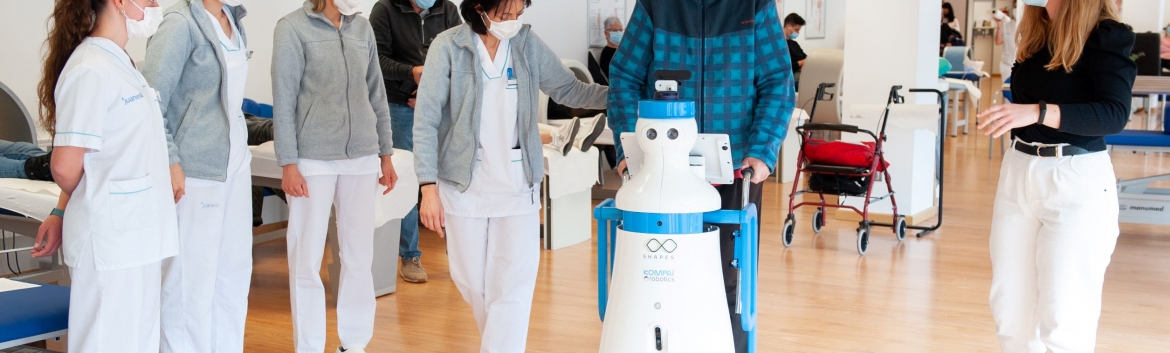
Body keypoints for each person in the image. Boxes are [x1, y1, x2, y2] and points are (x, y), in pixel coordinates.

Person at [412, 0, 607, 350]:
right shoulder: (449, 47)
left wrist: (623, 96)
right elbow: (426, 120)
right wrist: (427, 186)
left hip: (518, 185)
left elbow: (569, 89)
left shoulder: (526, 43)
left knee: (514, 286)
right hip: (464, 186)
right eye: (505, 15)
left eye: (519, 14)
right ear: (479, 7)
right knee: (471, 283)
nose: (513, 22)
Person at [607, 0, 794, 352]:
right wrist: (629, 148)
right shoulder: (656, 5)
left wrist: (762, 149)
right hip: (663, 172)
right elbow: (624, 77)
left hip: (735, 170)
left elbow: (777, 81)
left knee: (732, 284)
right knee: (663, 281)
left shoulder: (755, 4)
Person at [976, 0, 1136, 351]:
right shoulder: (1038, 33)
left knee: (1064, 315)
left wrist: (1038, 112)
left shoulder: (1107, 35)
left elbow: (1113, 114)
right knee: (1010, 310)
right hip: (1019, 171)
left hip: (1075, 178)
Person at [31, 0, 179, 352]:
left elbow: (103, 155)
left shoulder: (120, 63)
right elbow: (65, 166)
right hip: (111, 240)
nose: (155, 4)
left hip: (137, 235)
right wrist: (88, 199)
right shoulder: (90, 68)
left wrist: (62, 208)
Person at [272, 0, 398, 352]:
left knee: (359, 256)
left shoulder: (362, 27)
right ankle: (309, 346)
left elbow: (376, 93)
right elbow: (283, 99)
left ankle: (354, 343)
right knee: (306, 257)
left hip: (362, 155)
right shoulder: (292, 28)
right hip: (313, 158)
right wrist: (288, 162)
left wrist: (385, 153)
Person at [140, 1, 253, 351]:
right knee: (190, 283)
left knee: (233, 276)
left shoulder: (233, 18)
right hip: (195, 170)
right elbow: (150, 101)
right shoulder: (179, 24)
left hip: (235, 165)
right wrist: (171, 159)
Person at [370, 0, 462, 285]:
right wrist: (412, 74)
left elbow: (460, 58)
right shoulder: (385, 10)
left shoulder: (448, 10)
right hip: (399, 106)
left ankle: (459, 252)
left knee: (451, 176)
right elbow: (376, 60)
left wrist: (430, 93)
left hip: (438, 104)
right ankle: (409, 255)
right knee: (407, 180)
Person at [992, 8, 1018, 79]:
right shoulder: (1006, 25)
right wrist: (999, 24)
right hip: (1007, 64)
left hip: (1021, 64)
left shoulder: (1027, 26)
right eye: (1015, 7)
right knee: (1007, 84)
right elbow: (998, 42)